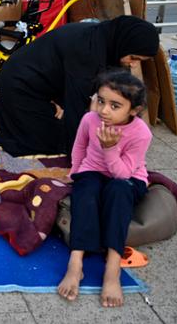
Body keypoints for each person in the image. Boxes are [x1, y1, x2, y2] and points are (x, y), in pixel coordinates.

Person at [0, 15, 159, 157]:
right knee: (48, 142)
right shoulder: (88, 52)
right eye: (133, 57)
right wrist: (78, 158)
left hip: (39, 80)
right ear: (124, 43)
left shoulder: (106, 38)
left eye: (140, 61)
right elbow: (76, 108)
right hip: (19, 83)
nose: (134, 64)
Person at [57, 69, 151, 308]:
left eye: (115, 105)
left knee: (118, 190)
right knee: (85, 190)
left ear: (134, 110)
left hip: (128, 178)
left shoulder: (141, 132)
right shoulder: (90, 119)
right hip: (94, 172)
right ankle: (76, 262)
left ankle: (112, 267)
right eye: (100, 101)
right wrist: (75, 173)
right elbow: (79, 148)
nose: (104, 110)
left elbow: (122, 174)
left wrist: (110, 148)